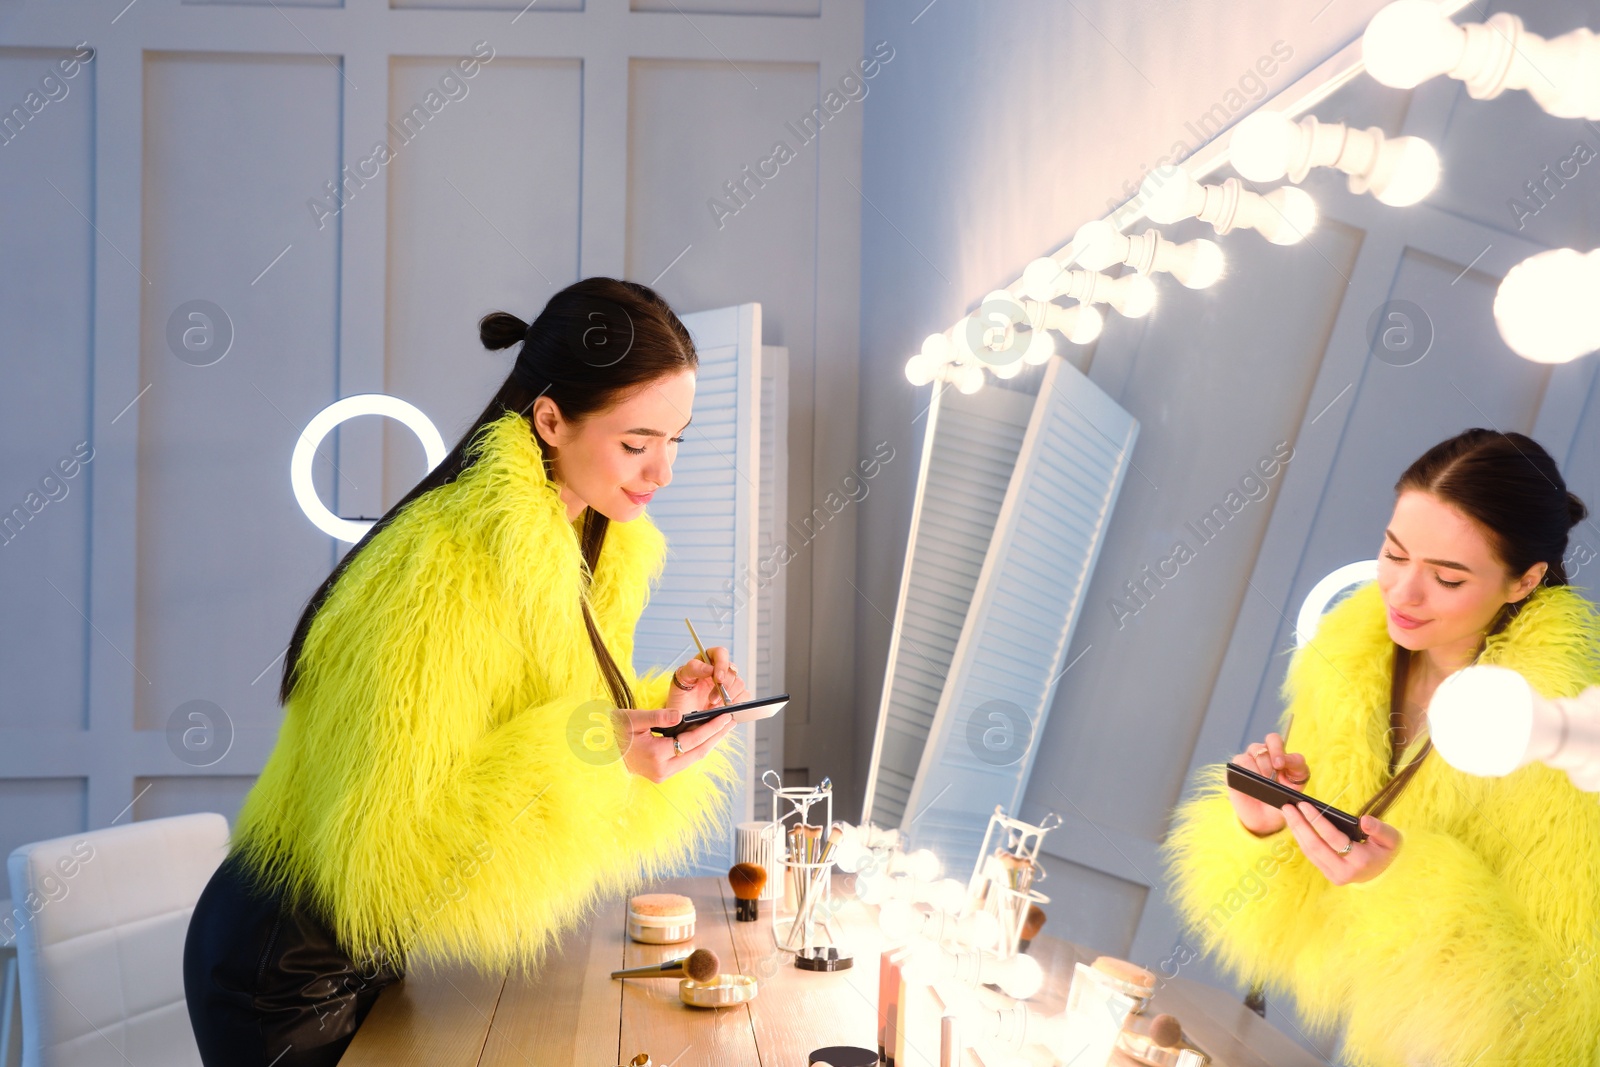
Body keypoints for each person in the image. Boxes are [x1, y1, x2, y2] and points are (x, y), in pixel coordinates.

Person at [184, 278, 746, 1067]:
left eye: (676, 440)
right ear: (550, 419)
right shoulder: (439, 565)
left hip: (370, 937)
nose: (662, 471)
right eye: (636, 442)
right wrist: (603, 747)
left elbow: (548, 724)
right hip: (288, 961)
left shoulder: (587, 542)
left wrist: (663, 712)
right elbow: (392, 839)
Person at [1163, 428, 1600, 1067]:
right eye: (1394, 556)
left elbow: (1558, 1015)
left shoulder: (1563, 735)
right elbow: (1293, 934)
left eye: (1447, 578)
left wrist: (1405, 880)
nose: (1401, 594)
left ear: (1524, 581)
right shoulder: (1348, 664)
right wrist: (1265, 826)